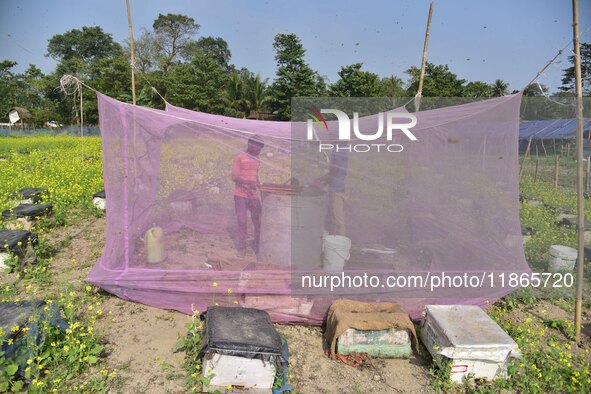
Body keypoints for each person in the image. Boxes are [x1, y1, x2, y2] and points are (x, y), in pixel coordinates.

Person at [232, 135, 264, 255]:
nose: (258, 150)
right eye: (256, 147)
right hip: (240, 195)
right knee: (242, 221)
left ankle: (258, 245)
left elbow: (255, 175)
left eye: (260, 148)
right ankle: (241, 248)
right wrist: (247, 183)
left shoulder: (257, 159)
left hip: (254, 195)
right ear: (250, 144)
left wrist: (260, 186)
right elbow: (234, 177)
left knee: (258, 220)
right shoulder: (240, 157)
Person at [313, 149, 349, 236]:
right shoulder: (339, 149)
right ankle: (335, 242)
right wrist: (319, 180)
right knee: (334, 219)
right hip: (338, 188)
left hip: (337, 190)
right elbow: (333, 171)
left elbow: (334, 171)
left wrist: (323, 183)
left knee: (338, 220)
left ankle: (341, 245)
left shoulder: (338, 151)